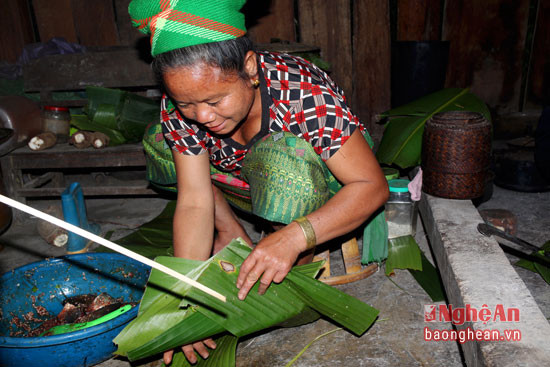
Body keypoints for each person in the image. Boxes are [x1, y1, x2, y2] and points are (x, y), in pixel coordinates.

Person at [130, 0, 389, 364]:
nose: (202, 116)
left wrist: (294, 236)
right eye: (186, 103)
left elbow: (371, 186)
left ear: (249, 67)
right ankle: (230, 230)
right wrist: (182, 295)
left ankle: (295, 259)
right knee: (160, 141)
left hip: (324, 185)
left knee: (285, 162)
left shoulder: (301, 93)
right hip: (241, 183)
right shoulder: (184, 107)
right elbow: (193, 201)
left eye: (215, 99)